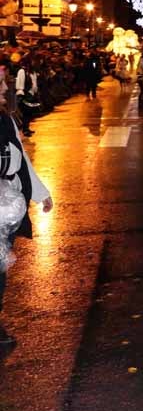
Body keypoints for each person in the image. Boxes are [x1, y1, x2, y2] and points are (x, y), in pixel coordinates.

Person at [0, 92, 53, 347]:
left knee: (1, 265)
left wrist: (41, 193)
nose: (3, 89)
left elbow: (22, 159)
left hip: (8, 204)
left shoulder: (7, 120)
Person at [14, 60, 40, 137]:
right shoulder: (22, 71)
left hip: (31, 94)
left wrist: (35, 92)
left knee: (29, 113)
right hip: (24, 94)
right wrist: (21, 93)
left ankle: (27, 128)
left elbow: (34, 84)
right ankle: (25, 130)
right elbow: (19, 83)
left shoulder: (32, 72)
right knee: (26, 112)